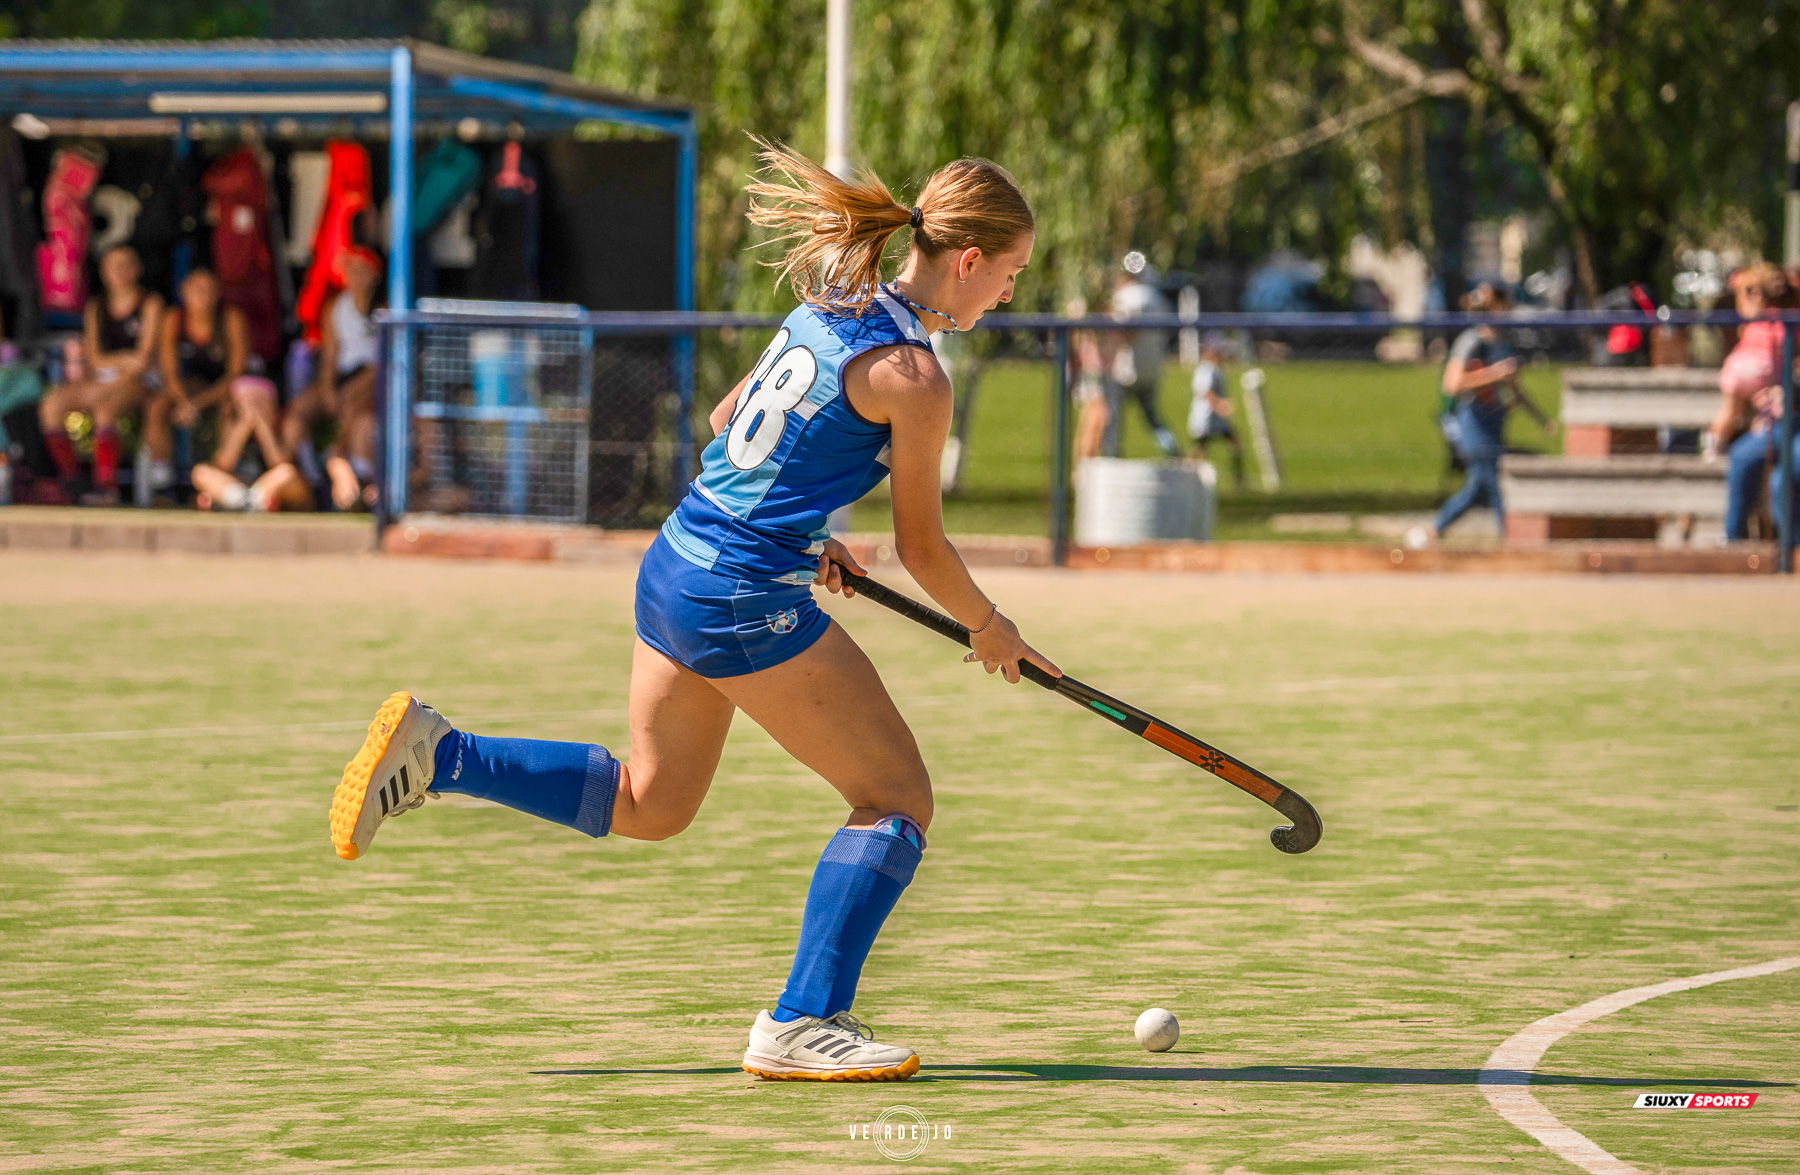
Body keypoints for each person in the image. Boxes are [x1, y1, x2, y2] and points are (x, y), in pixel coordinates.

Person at [323, 140, 1055, 1083]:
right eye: (1008, 275)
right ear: (966, 260)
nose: (1005, 295)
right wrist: (990, 627)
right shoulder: (915, 379)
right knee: (895, 797)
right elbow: (922, 550)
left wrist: (803, 529)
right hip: (742, 594)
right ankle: (803, 1019)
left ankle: (442, 753)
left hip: (677, 562)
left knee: (653, 801)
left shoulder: (828, 303)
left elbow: (726, 423)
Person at [1408, 283, 1553, 546]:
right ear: (1494, 307)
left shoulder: (1503, 343)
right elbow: (1452, 384)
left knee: (1479, 486)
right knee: (1493, 483)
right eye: (1506, 305)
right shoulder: (1472, 342)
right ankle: (1509, 541)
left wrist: (1541, 419)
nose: (1510, 310)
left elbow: (1514, 389)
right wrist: (1494, 373)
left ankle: (1432, 531)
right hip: (1472, 421)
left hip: (1494, 420)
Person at [37, 245, 163, 504]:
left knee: (106, 408)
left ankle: (107, 487)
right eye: (112, 266)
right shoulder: (96, 307)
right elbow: (94, 358)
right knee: (51, 406)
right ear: (103, 271)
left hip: (141, 381)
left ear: (137, 269)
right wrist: (124, 360)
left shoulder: (151, 303)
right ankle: (72, 482)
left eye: (125, 265)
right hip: (104, 377)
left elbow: (144, 358)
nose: (118, 272)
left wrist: (121, 364)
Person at [146, 268, 277, 501]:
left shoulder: (231, 319)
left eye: (208, 290)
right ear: (183, 292)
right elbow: (170, 373)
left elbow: (235, 374)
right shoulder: (174, 319)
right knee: (158, 407)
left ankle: (224, 475)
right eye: (196, 289)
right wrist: (184, 402)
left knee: (229, 409)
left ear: (217, 294)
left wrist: (195, 405)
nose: (202, 296)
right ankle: (161, 484)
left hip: (227, 388)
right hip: (193, 385)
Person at [282, 247, 382, 510]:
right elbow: (330, 356)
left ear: (374, 275)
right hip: (342, 377)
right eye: (351, 269)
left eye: (362, 270)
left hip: (372, 379)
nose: (355, 276)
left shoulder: (385, 310)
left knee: (352, 408)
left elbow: (382, 364)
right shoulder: (335, 308)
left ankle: (337, 464)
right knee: (297, 412)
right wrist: (327, 389)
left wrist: (347, 393)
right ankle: (301, 472)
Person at [1709, 263, 1790, 541]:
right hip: (1776, 418)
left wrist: (1784, 392)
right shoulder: (1769, 326)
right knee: (1748, 456)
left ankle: (1741, 539)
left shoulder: (1781, 325)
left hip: (1787, 422)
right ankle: (1736, 539)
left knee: (1775, 475)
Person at [1105, 260, 1180, 457]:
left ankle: (1112, 457)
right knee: (1152, 417)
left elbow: (1127, 331)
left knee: (1113, 416)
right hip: (1153, 366)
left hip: (1127, 367)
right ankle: (1172, 450)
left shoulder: (1125, 296)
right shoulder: (1157, 297)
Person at [1187, 341, 1244, 487]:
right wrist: (1220, 406)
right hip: (1207, 417)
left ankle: (1238, 479)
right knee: (1201, 449)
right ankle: (1188, 475)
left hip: (1214, 418)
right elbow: (1206, 392)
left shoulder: (1213, 369)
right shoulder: (1207, 370)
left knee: (1233, 443)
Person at [1067, 296, 1112, 460]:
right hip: (1088, 373)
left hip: (1093, 372)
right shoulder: (1081, 322)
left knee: (1094, 420)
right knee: (1095, 419)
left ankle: (1086, 464)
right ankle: (1084, 465)